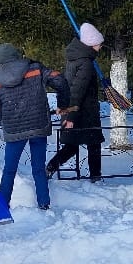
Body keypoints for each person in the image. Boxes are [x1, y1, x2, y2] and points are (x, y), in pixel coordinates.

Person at [0, 42, 71, 210]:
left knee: (9, 170)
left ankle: (3, 206)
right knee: (38, 169)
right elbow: (60, 80)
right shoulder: (35, 68)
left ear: (0, 61)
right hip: (38, 125)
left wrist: (5, 120)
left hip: (14, 130)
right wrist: (62, 105)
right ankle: (44, 204)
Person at [46, 22, 105, 182]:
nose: (100, 47)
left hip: (76, 110)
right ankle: (95, 177)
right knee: (93, 143)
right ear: (92, 44)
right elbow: (77, 90)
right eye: (99, 44)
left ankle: (51, 167)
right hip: (83, 112)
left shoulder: (75, 58)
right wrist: (71, 117)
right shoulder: (85, 63)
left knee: (73, 145)